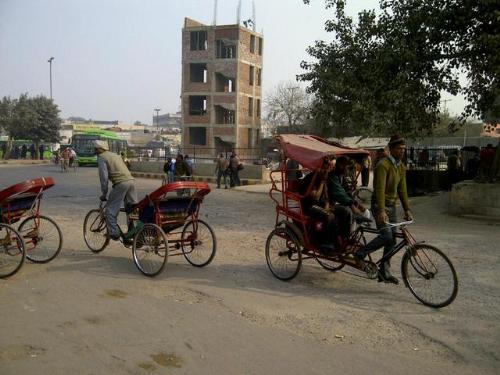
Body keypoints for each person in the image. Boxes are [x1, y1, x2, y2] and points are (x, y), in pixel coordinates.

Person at [353, 134, 413, 284]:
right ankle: (360, 254)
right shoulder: (382, 165)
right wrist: (380, 211)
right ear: (391, 149)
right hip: (379, 205)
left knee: (392, 241)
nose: (402, 152)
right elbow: (379, 190)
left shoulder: (401, 167)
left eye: (404, 149)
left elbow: (403, 190)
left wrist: (407, 209)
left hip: (392, 207)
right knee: (386, 236)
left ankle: (384, 272)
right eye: (399, 149)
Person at [94, 140, 138, 242]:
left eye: (96, 149)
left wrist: (104, 193)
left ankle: (114, 233)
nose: (95, 151)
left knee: (110, 210)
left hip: (120, 183)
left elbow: (103, 177)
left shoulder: (102, 157)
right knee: (132, 209)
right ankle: (134, 231)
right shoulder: (115, 155)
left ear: (101, 149)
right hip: (131, 181)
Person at [299, 157, 336, 254]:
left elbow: (326, 195)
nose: (325, 171)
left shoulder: (323, 178)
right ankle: (326, 244)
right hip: (310, 206)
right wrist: (322, 182)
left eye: (327, 169)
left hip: (320, 205)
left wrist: (327, 204)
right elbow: (316, 197)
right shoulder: (311, 178)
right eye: (324, 169)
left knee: (343, 211)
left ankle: (338, 241)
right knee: (329, 216)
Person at [327, 156, 365, 241]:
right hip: (329, 203)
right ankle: (344, 238)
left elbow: (346, 192)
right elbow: (339, 193)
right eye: (346, 167)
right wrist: (352, 204)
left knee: (363, 212)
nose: (347, 170)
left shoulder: (341, 176)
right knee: (347, 211)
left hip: (337, 201)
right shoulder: (332, 176)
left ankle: (351, 234)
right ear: (340, 165)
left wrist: (356, 203)